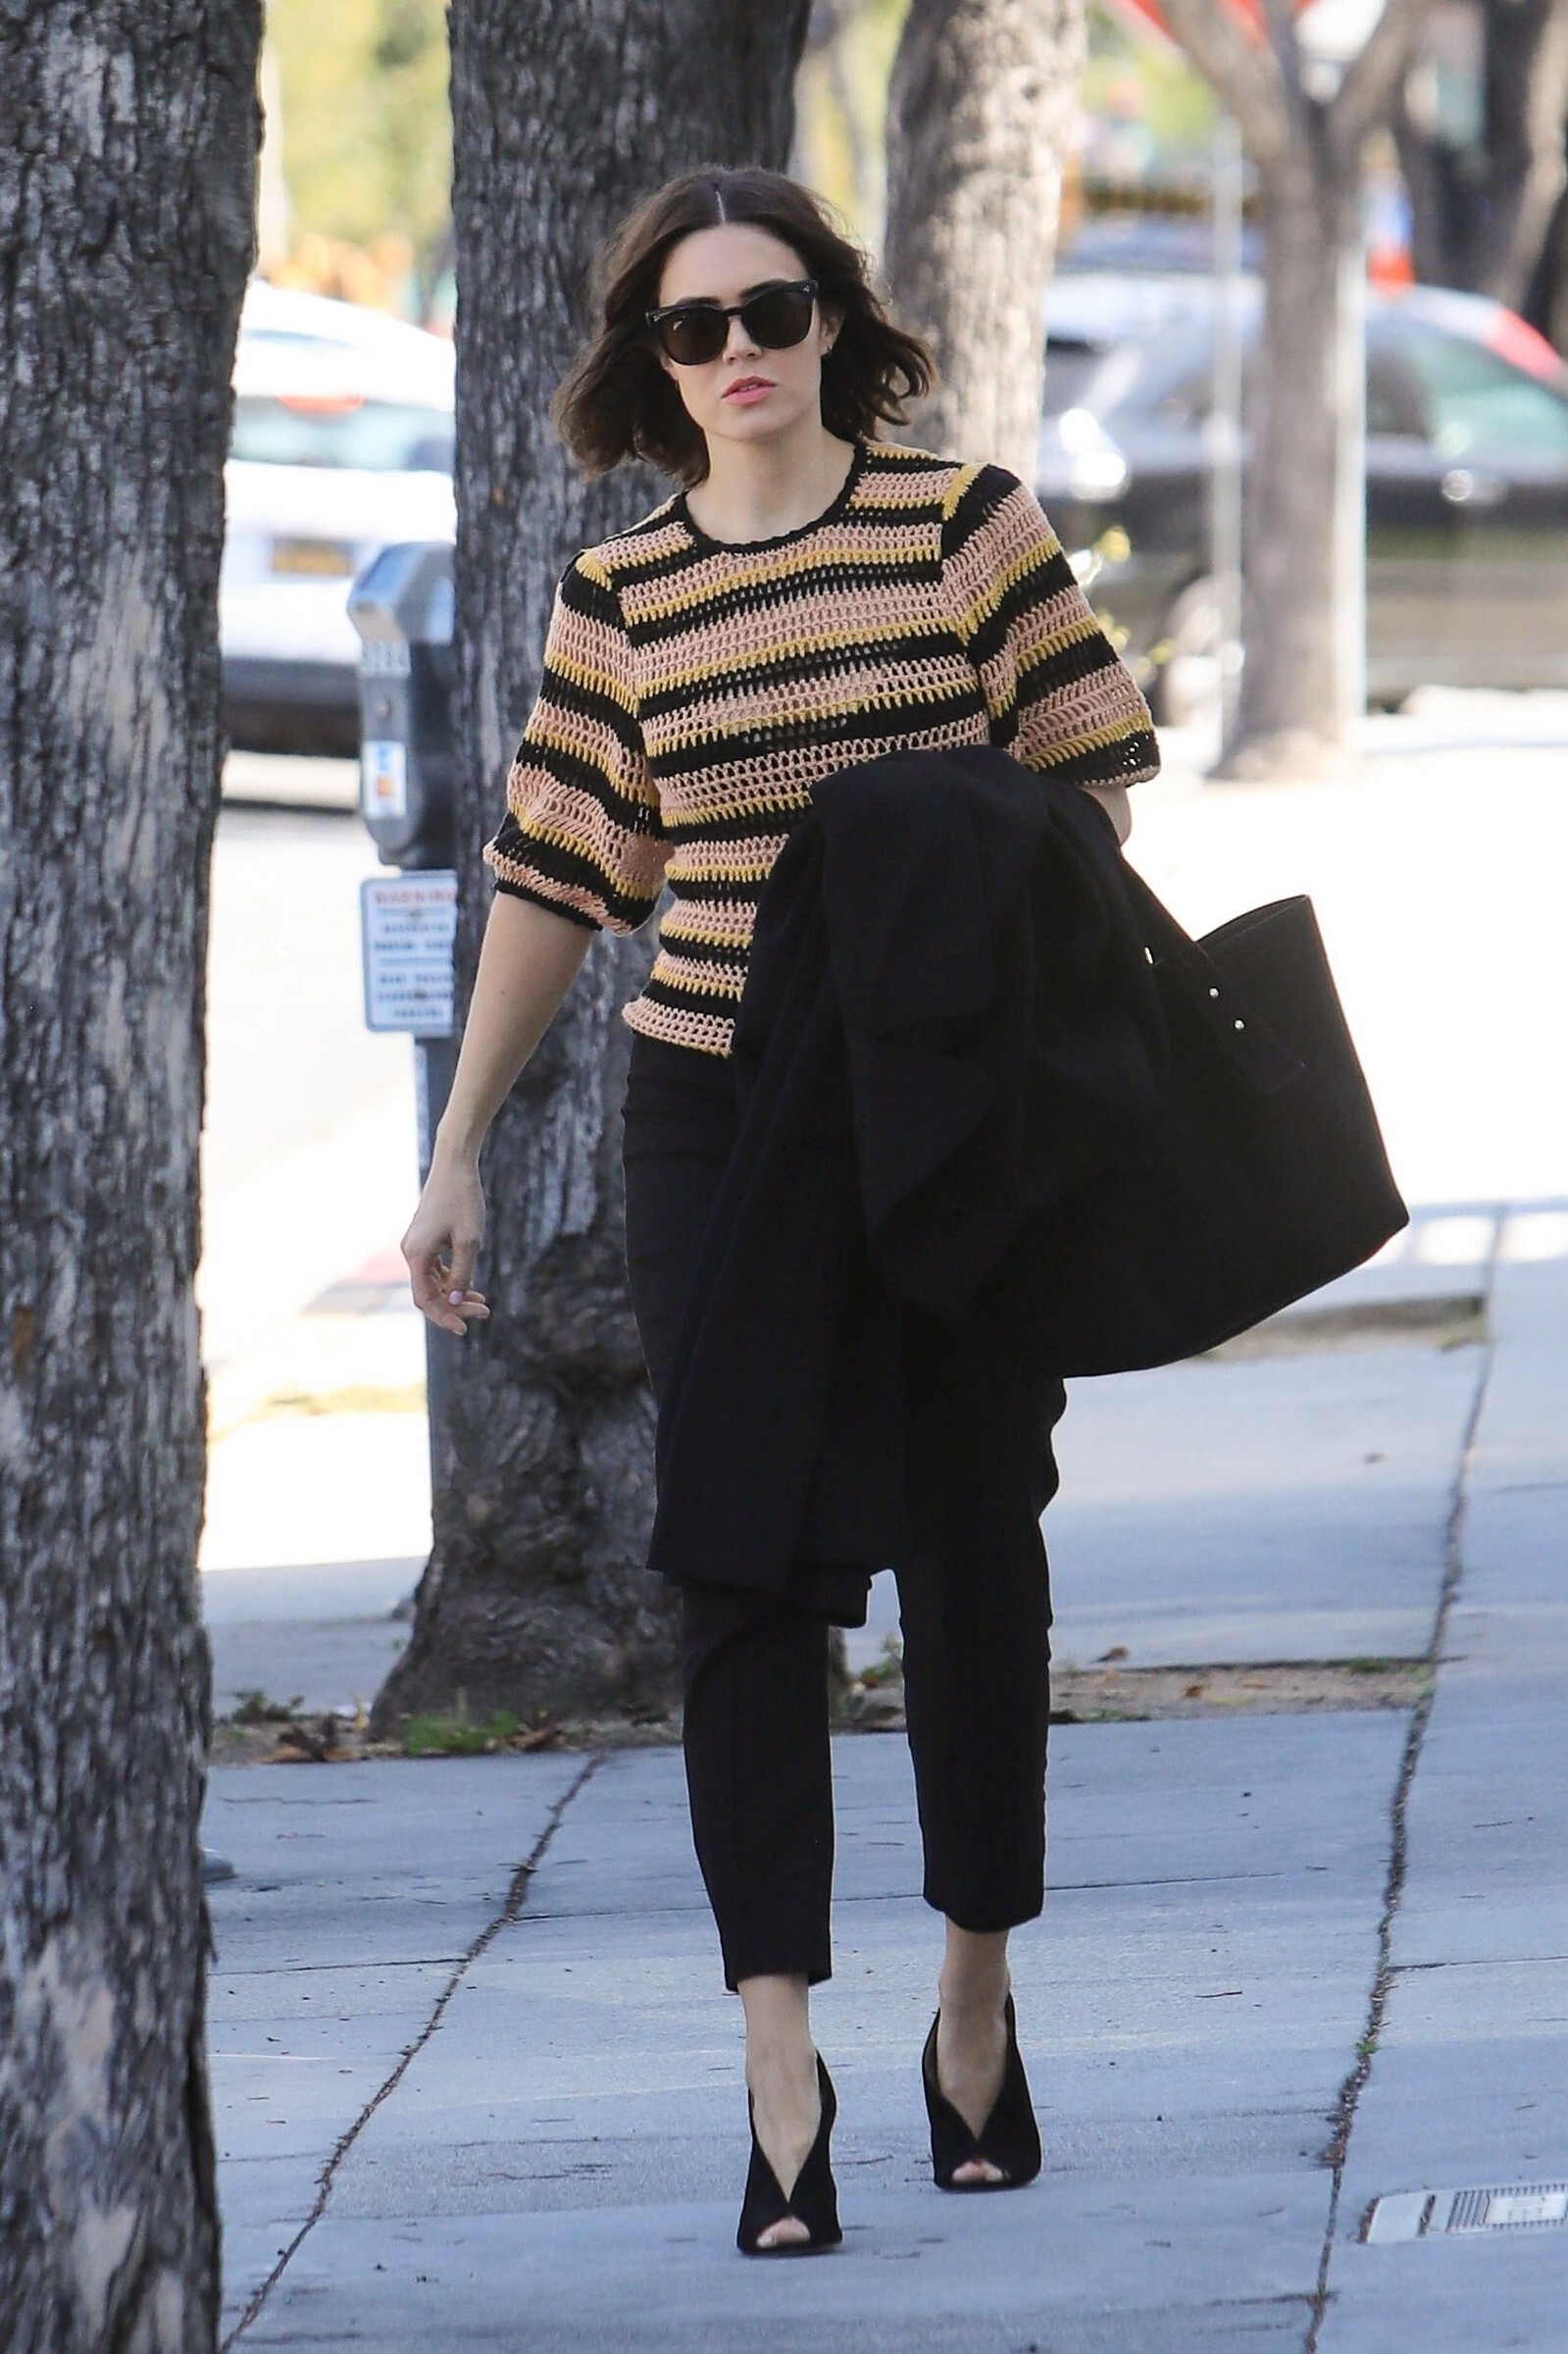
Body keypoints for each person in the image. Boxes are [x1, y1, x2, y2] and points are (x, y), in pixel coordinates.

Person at [401, 165, 1159, 2256]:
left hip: (944, 1105)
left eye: (771, 311)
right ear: (651, 364)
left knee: (972, 1543)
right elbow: (557, 876)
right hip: (719, 1110)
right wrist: (457, 1148)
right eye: (692, 326)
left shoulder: (962, 525)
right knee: (734, 1561)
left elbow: (1096, 775)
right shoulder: (621, 595)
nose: (737, 352)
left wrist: (936, 878)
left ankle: (974, 2006)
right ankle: (777, 2068)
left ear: (834, 321)